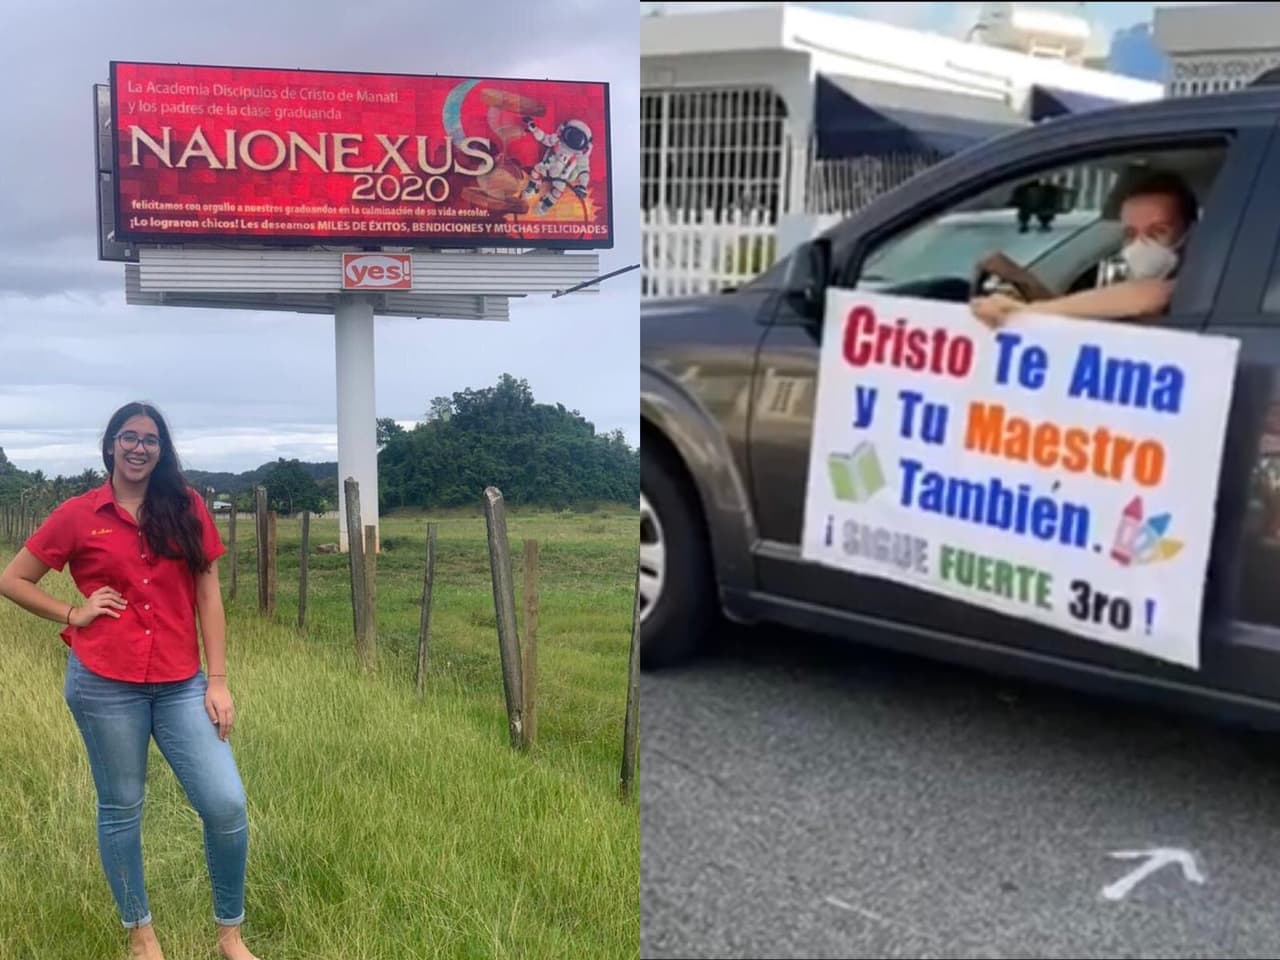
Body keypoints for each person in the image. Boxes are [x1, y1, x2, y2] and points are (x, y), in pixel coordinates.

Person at [0, 402, 259, 960]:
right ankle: (141, 936)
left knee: (225, 802)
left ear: (161, 449)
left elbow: (208, 593)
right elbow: (13, 579)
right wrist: (73, 613)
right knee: (121, 806)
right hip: (103, 684)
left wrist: (218, 680)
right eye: (129, 437)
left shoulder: (186, 507)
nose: (139, 447)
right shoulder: (78, 513)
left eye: (150, 439)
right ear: (112, 444)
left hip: (181, 682)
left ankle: (229, 935)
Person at [970, 169, 1199, 328]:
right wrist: (1026, 283)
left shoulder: (1200, 284)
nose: (1140, 245)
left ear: (1190, 232)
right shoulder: (1121, 285)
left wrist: (1020, 314)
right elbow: (1079, 311)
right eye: (1130, 234)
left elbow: (1150, 296)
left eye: (1157, 232)